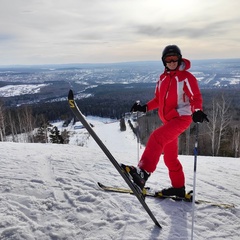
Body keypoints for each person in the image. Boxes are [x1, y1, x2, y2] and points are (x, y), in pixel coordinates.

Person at [121, 45, 209, 198]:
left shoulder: (186, 77)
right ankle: (178, 188)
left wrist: (196, 111)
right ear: (164, 62)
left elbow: (196, 97)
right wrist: (144, 108)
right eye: (168, 59)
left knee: (157, 137)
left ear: (179, 59)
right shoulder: (162, 78)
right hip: (169, 121)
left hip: (181, 118)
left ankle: (143, 173)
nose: (172, 61)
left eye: (175, 58)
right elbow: (158, 99)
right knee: (170, 158)